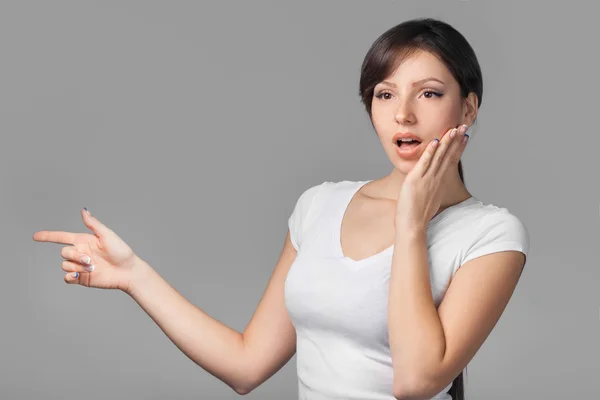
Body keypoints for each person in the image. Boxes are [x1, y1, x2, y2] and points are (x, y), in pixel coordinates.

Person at [33, 18, 529, 400]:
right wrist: (135, 275)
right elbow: (246, 365)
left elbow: (416, 382)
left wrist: (411, 222)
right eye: (384, 94)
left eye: (429, 93)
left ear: (468, 108)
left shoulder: (490, 234)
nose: (403, 113)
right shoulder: (319, 205)